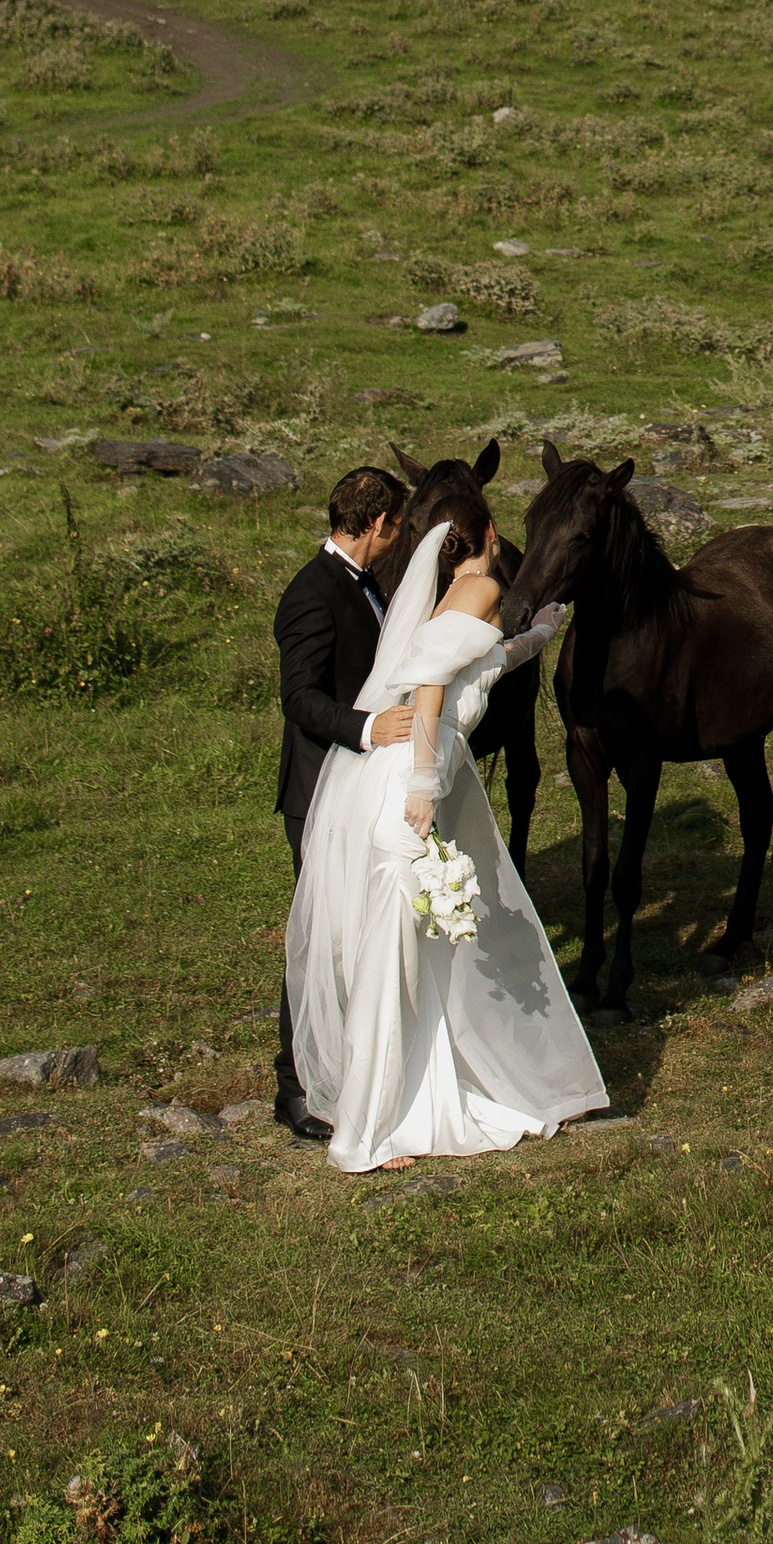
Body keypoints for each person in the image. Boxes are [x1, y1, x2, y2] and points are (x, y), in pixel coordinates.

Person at [284, 488, 606, 1173]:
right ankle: (363, 1135)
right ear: (491, 533)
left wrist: (541, 634)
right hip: (407, 786)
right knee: (391, 959)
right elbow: (431, 686)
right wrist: (423, 788)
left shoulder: (453, 599)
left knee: (412, 953)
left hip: (402, 777)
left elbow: (483, 665)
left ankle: (410, 1102)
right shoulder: (483, 588)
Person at [270, 467, 411, 1144]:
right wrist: (367, 728)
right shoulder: (312, 593)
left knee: (355, 931)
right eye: (397, 525)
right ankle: (294, 1086)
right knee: (320, 937)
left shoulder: (367, 584)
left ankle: (345, 1069)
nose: (399, 536)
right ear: (376, 523)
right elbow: (298, 698)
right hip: (317, 790)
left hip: (359, 787)